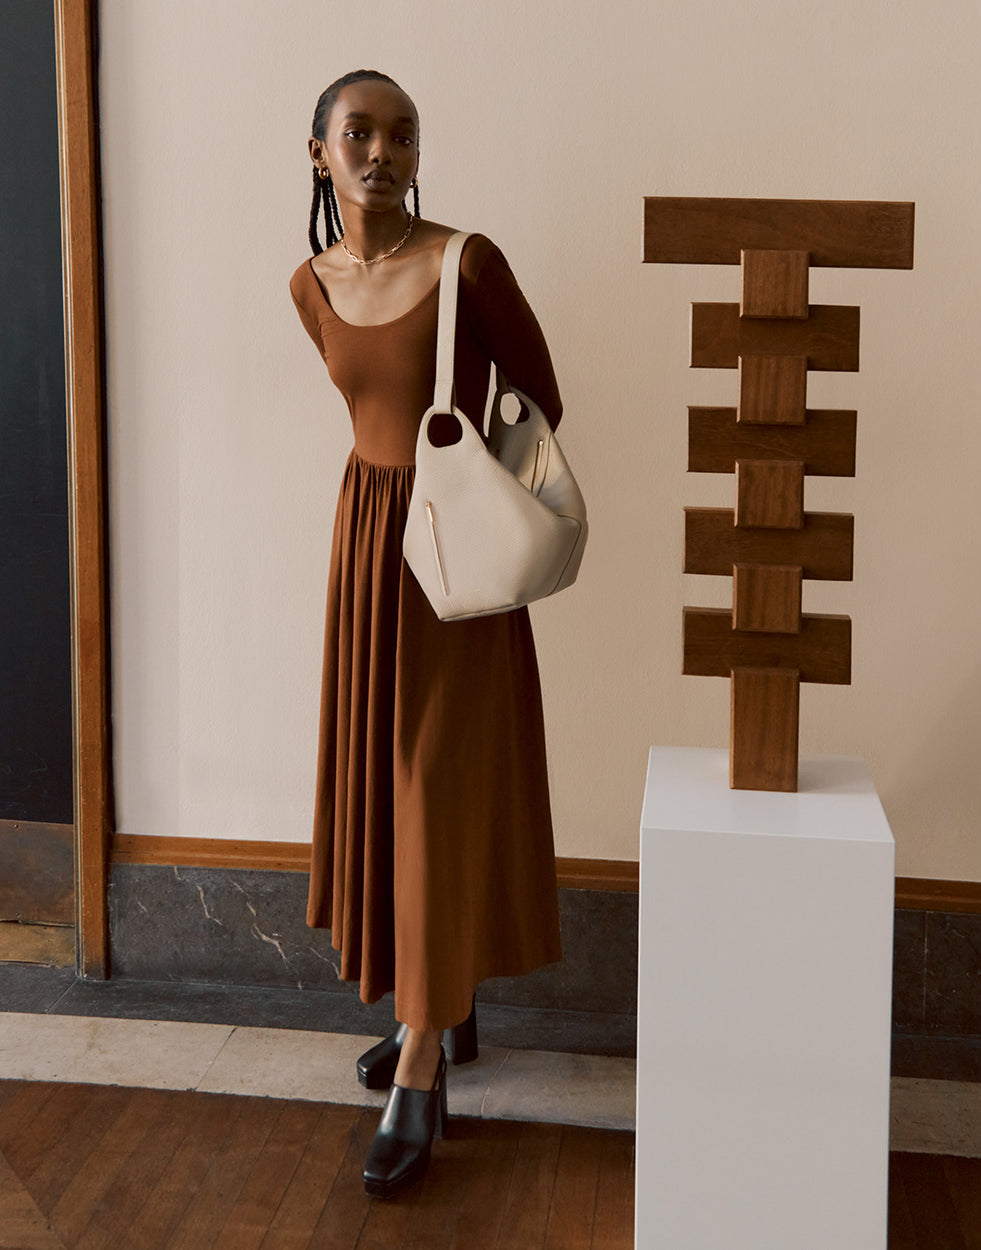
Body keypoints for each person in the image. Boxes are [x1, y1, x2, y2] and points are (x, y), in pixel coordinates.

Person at [289, 69, 563, 1198]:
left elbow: (540, 397)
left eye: (402, 134)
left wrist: (456, 504)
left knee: (436, 787)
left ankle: (420, 1054)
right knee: (387, 788)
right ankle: (440, 1007)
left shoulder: (469, 262)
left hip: (445, 563)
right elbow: (365, 414)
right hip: (366, 549)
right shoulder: (308, 285)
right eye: (359, 132)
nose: (383, 151)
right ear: (320, 154)